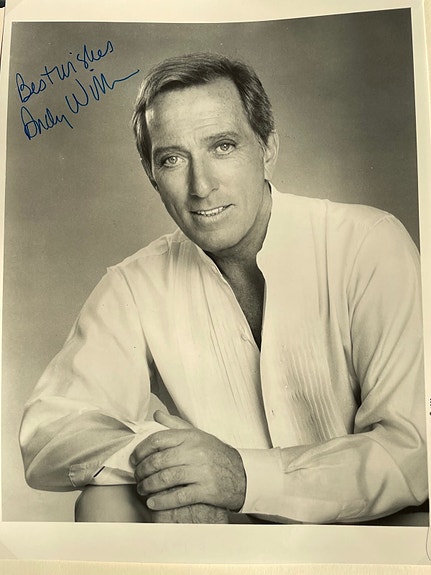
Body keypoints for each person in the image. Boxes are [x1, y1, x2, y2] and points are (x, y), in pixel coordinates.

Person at [20, 52, 427, 524]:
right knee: (105, 501)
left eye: (223, 146)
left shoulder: (367, 244)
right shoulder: (135, 284)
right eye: (172, 159)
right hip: (230, 537)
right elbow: (48, 433)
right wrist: (175, 464)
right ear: (152, 175)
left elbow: (412, 451)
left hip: (372, 532)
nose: (201, 186)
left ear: (268, 147)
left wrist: (241, 478)